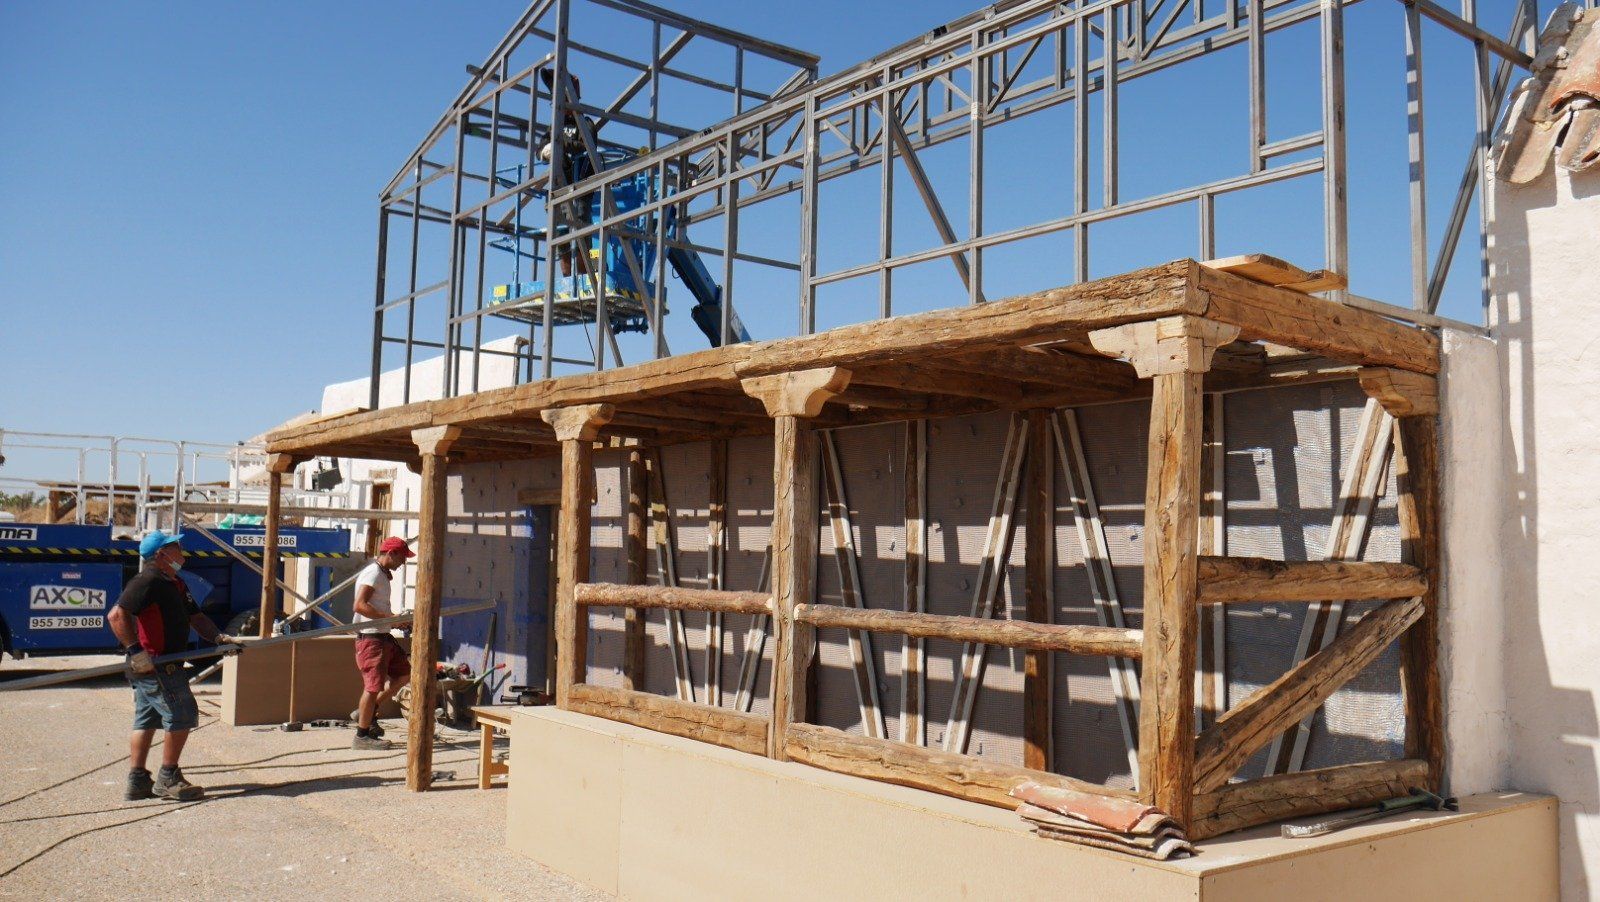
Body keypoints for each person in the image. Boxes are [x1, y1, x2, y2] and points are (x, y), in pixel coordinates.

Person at [107, 530, 242, 801]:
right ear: (161, 555)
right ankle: (168, 777)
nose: (182, 552)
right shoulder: (148, 580)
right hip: (156, 665)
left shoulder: (174, 582)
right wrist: (136, 652)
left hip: (159, 665)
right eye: (176, 548)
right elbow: (116, 615)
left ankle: (138, 780)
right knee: (182, 714)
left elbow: (197, 617)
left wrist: (219, 637)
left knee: (146, 720)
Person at [351, 536, 415, 750]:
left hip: (382, 635)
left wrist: (394, 621)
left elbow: (375, 608)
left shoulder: (381, 575)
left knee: (404, 674)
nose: (403, 562)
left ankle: (368, 711)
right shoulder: (373, 573)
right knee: (372, 687)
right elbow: (359, 606)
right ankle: (362, 736)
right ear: (391, 554)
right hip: (371, 638)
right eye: (402, 557)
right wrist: (390, 619)